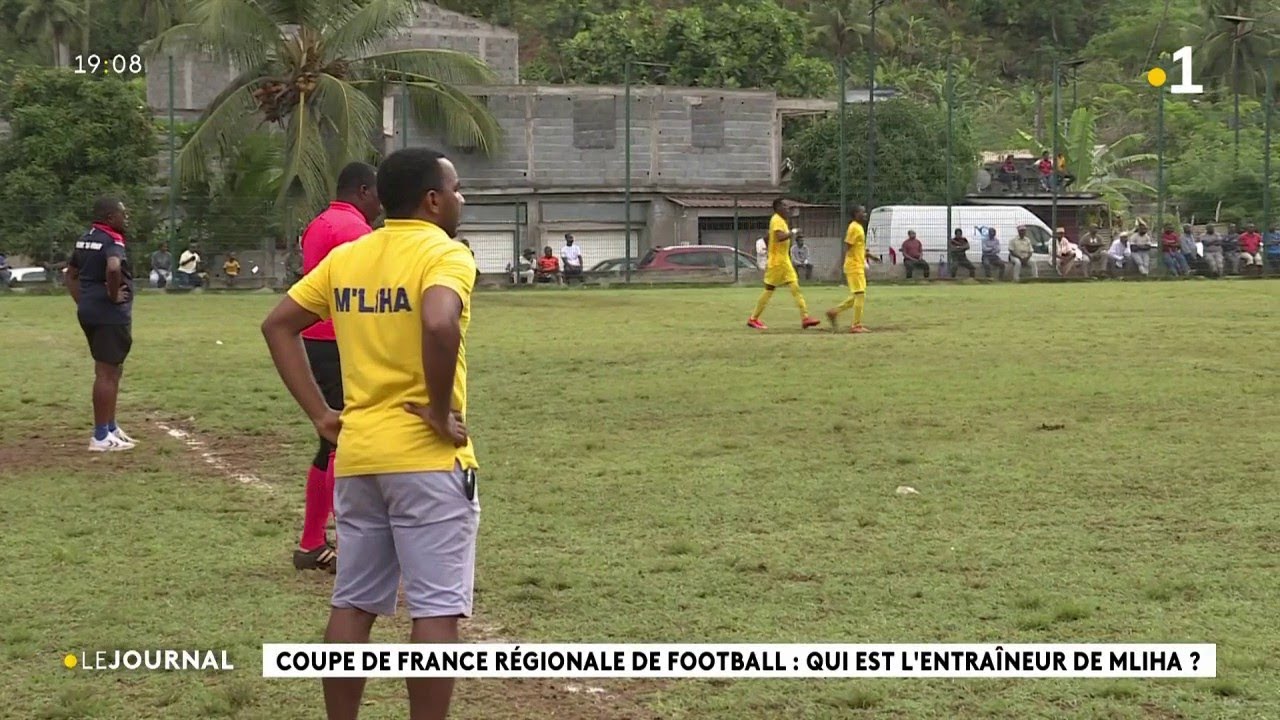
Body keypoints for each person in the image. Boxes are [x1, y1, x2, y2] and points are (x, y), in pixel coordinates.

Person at [261, 147, 480, 720]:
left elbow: (278, 325)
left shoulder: (350, 257)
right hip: (426, 461)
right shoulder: (446, 254)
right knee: (434, 613)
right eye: (456, 189)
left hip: (359, 458)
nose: (460, 198)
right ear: (432, 200)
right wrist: (439, 411)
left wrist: (320, 414)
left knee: (353, 605)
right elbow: (439, 322)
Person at [292, 161, 381, 572]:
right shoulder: (357, 233)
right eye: (377, 195)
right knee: (343, 442)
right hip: (339, 341)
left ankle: (313, 541)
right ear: (363, 191)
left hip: (314, 337)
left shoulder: (319, 224)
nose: (381, 204)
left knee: (329, 441)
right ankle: (340, 545)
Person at [65, 197, 137, 452]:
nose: (126, 218)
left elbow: (70, 274)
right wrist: (112, 295)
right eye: (122, 214)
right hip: (109, 314)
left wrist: (83, 301)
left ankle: (110, 428)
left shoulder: (85, 238)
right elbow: (114, 268)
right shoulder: (112, 239)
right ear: (110, 218)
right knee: (106, 372)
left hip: (90, 311)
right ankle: (100, 436)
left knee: (112, 369)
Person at [747, 198, 821, 330]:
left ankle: (805, 317)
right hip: (777, 262)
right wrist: (793, 232)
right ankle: (753, 318)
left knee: (793, 287)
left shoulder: (781, 221)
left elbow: (771, 237)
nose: (788, 209)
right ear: (778, 208)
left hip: (783, 260)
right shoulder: (776, 220)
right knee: (770, 290)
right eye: (785, 206)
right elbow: (780, 237)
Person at [825, 205, 878, 333]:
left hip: (857, 265)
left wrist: (870, 256)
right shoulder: (853, 227)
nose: (865, 214)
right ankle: (856, 325)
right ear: (855, 214)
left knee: (857, 295)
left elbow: (857, 247)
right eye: (862, 212)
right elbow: (848, 246)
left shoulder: (858, 227)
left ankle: (834, 312)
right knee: (860, 294)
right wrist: (840, 263)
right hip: (853, 266)